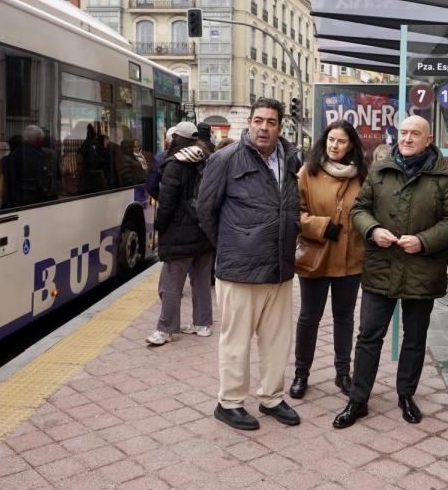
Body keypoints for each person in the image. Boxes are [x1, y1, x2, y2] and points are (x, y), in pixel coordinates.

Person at [333, 115, 448, 428]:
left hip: (422, 268)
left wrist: (423, 241)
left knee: (415, 338)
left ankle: (406, 394)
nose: (406, 139)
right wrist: (372, 230)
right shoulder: (381, 170)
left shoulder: (445, 176)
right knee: (368, 335)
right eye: (403, 132)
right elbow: (359, 210)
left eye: (414, 134)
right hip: (382, 266)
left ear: (428, 138)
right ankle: (358, 399)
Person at [197, 98, 302, 431]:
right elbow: (205, 211)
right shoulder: (225, 159)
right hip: (240, 271)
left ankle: (271, 397)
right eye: (258, 120)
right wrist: (233, 246)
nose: (264, 127)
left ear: (280, 126)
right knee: (236, 342)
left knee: (276, 341)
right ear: (250, 123)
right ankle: (229, 403)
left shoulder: (290, 159)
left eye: (271, 121)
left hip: (280, 269)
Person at [289, 120, 367, 399]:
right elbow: (293, 212)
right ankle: (301, 373)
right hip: (316, 256)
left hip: (351, 258)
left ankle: (342, 373)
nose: (335, 146)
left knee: (344, 318)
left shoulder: (362, 175)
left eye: (342, 141)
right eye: (331, 140)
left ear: (351, 145)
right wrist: (320, 226)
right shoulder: (307, 172)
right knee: (309, 317)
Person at [146, 122, 215, 346]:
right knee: (202, 281)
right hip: (204, 231)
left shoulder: (174, 164)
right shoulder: (207, 159)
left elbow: (166, 202)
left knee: (171, 284)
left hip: (179, 233)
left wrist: (160, 226)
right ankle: (203, 324)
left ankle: (165, 329)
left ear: (176, 138)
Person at [145, 125, 175, 201]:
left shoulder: (159, 159)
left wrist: (162, 199)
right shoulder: (196, 155)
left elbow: (151, 186)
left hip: (169, 205)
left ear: (166, 141)